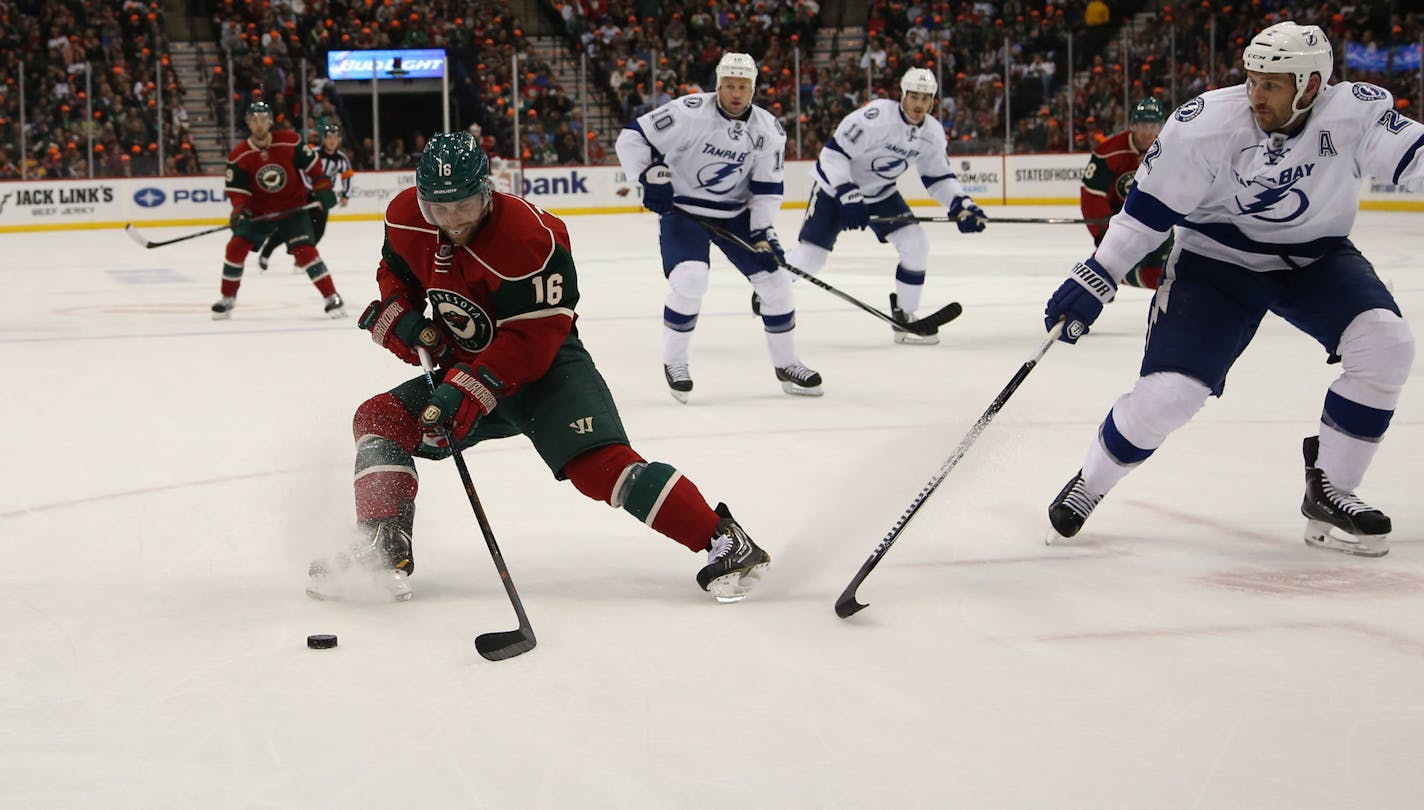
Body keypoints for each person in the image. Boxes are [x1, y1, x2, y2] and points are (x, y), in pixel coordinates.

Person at [306, 132, 770, 603]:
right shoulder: (407, 217)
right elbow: (398, 272)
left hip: (546, 371)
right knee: (380, 419)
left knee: (601, 470)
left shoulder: (531, 238)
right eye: (438, 210)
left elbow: (534, 339)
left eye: (463, 206)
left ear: (486, 191)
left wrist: (465, 387)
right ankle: (383, 542)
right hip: (467, 370)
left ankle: (724, 539)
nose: (451, 221)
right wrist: (401, 315)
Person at [1042, 21, 1418, 557]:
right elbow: (1145, 212)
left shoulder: (1355, 112)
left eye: (1272, 84)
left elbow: (1416, 156)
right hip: (1217, 262)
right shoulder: (1204, 123)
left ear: (1311, 84)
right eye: (1252, 79)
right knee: (1169, 396)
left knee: (1387, 344)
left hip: (1314, 257)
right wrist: (1098, 276)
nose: (1255, 94)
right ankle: (1091, 481)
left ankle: (1331, 487)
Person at [614, 52, 822, 402]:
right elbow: (631, 138)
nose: (735, 93)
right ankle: (675, 362)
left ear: (753, 88)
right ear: (718, 84)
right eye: (729, 86)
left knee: (777, 284)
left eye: (743, 86)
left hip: (735, 213)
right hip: (684, 211)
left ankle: (787, 363)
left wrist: (761, 233)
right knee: (691, 279)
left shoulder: (768, 130)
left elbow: (768, 189)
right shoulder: (689, 111)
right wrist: (650, 176)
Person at [783, 67, 987, 345]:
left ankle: (905, 317)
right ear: (903, 95)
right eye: (914, 96)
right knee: (812, 258)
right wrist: (847, 191)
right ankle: (771, 285)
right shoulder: (876, 118)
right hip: (835, 190)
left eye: (925, 98)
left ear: (932, 101)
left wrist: (961, 204)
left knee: (916, 244)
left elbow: (938, 178)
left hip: (880, 193)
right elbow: (832, 156)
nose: (919, 104)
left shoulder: (933, 134)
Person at [212, 101, 344, 319]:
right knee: (235, 247)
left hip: (294, 208)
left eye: (263, 119)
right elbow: (238, 193)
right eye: (254, 120)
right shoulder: (239, 156)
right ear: (248, 123)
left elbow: (313, 165)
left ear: (270, 121)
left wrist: (322, 187)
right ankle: (227, 298)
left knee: (305, 251)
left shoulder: (290, 141)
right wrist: (240, 212)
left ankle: (332, 297)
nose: (259, 125)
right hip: (260, 213)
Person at [1080, 97, 1170, 290]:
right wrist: (1104, 234)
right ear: (1133, 125)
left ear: (1162, 127)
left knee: (1163, 274)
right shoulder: (1109, 152)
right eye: (1143, 125)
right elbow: (1091, 196)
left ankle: (1122, 277)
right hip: (1117, 220)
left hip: (1154, 217)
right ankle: (1103, 274)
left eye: (1153, 125)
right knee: (1106, 269)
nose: (1148, 132)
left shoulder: (1171, 150)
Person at [258, 122, 353, 271]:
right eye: (329, 137)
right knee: (290, 227)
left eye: (335, 137)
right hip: (303, 196)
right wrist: (312, 191)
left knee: (318, 231)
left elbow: (347, 176)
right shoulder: (312, 153)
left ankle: (301, 257)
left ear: (339, 140)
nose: (332, 141)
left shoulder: (341, 159)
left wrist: (346, 195)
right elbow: (301, 171)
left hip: (322, 200)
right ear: (323, 139)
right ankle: (266, 252)